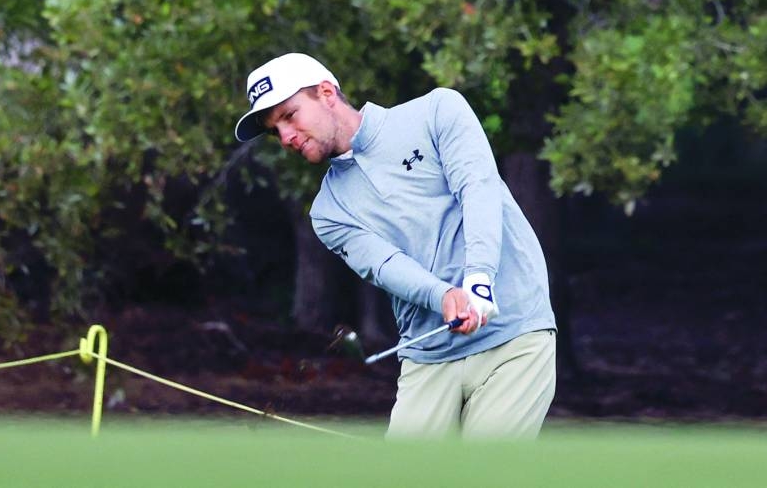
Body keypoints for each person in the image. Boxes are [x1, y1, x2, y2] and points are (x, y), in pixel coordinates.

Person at [234, 52, 556, 438]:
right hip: (428, 356)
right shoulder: (328, 211)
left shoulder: (437, 111)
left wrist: (479, 277)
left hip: (515, 337)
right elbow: (386, 265)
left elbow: (478, 188)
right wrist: (443, 296)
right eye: (275, 131)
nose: (285, 137)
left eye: (289, 115)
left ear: (325, 92)